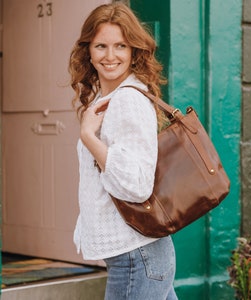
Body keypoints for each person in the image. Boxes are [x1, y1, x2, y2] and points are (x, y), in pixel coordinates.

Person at [68, 3, 177, 300]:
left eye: (120, 46)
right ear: (88, 50)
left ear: (133, 51)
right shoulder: (106, 98)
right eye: (101, 46)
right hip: (141, 254)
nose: (111, 56)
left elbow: (137, 186)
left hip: (136, 256)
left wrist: (89, 137)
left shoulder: (127, 100)